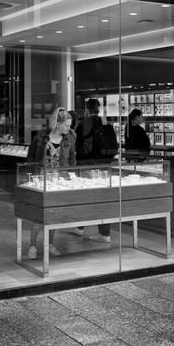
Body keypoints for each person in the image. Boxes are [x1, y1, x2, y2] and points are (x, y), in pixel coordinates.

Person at [27, 107, 76, 259]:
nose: (69, 128)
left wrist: (72, 176)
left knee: (53, 214)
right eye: (66, 125)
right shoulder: (40, 138)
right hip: (41, 179)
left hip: (59, 181)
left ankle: (50, 243)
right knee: (38, 216)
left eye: (70, 125)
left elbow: (72, 160)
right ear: (57, 124)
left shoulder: (70, 138)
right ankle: (32, 245)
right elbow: (31, 159)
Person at [75, 98, 118, 243]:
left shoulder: (84, 125)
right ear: (98, 109)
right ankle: (105, 233)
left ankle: (80, 227)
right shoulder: (105, 123)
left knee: (85, 197)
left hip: (87, 165)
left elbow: (78, 146)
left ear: (86, 109)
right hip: (105, 166)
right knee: (102, 198)